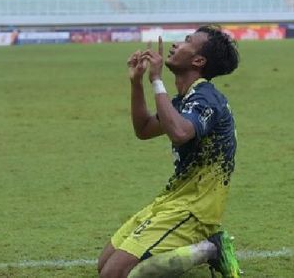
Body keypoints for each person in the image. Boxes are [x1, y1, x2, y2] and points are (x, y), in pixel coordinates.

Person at [98, 26, 241, 278]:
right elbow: (143, 129)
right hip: (173, 199)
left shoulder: (206, 98)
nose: (176, 44)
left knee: (113, 275)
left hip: (195, 209)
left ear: (198, 61)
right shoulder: (182, 99)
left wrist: (156, 80)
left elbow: (180, 132)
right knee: (104, 264)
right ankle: (203, 248)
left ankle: (211, 249)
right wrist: (137, 83)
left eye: (186, 41)